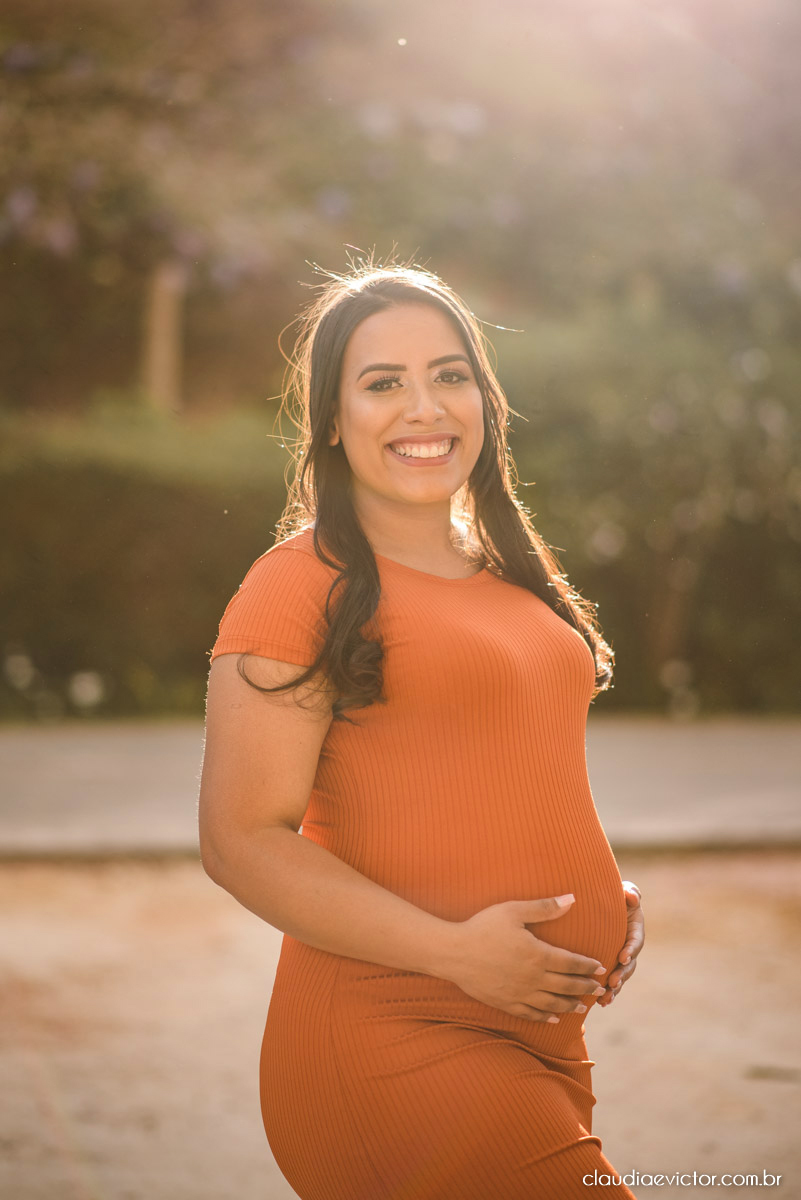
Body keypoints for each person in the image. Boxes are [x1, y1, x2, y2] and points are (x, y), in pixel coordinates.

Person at [198, 259, 645, 1200]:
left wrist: (596, 895)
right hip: (394, 1037)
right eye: (382, 383)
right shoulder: (298, 584)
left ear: (485, 397)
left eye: (449, 375)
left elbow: (496, 767)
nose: (425, 407)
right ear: (330, 419)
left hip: (542, 1043)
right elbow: (240, 842)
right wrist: (455, 952)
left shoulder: (508, 571)